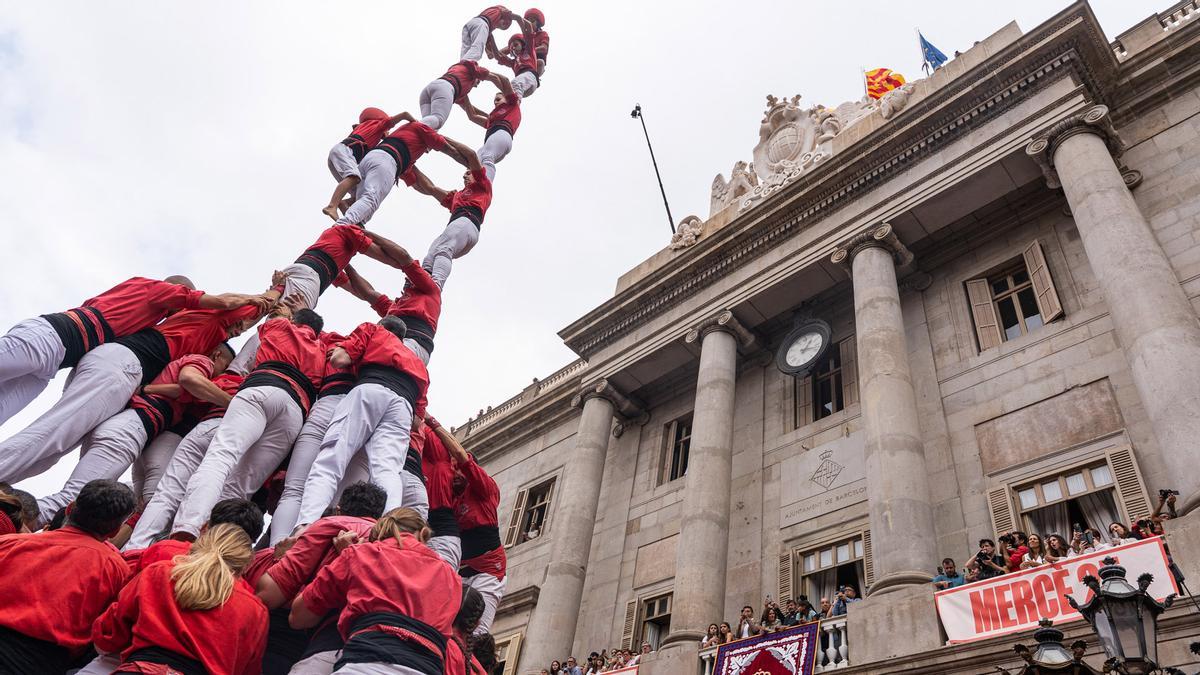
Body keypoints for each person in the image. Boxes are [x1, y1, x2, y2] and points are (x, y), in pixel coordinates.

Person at [0, 280, 275, 484]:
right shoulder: (207, 318)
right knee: (54, 433)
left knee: (55, 448)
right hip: (121, 366)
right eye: (239, 325)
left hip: (112, 366)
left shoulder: (196, 336)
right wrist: (274, 292)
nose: (239, 330)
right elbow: (247, 307)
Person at [0, 275, 262, 427]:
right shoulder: (153, 288)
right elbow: (223, 303)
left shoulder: (145, 316)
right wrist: (258, 300)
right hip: (52, 336)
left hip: (56, 361)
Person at [172, 299, 326, 539]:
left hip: (263, 387)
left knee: (221, 457)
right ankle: (216, 540)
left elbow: (271, 321)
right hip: (295, 410)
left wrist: (286, 313)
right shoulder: (323, 349)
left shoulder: (282, 327)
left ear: (295, 321)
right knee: (245, 483)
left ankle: (188, 527)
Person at [35, 345, 235, 524]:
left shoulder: (175, 367)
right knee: (75, 497)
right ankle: (12, 518)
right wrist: (232, 402)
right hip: (130, 429)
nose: (223, 372)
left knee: (89, 504)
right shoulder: (202, 362)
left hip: (128, 430)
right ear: (217, 355)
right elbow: (189, 382)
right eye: (226, 366)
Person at [289, 508, 463, 674]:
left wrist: (346, 560)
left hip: (366, 664)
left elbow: (298, 617)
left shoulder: (360, 554)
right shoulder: (452, 578)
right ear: (424, 533)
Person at [296, 317, 430, 528]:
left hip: (370, 389)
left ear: (382, 326)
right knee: (387, 470)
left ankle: (305, 524)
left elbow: (339, 360)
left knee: (332, 458)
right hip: (402, 407)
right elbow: (416, 422)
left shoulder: (372, 330)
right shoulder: (420, 366)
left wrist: (342, 349)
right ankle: (389, 531)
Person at [91, 523, 268, 675]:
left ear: (201, 540)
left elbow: (109, 633)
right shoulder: (255, 610)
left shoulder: (159, 571)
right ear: (245, 565)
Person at [0, 479, 135, 673]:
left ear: (70, 509)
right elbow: (107, 631)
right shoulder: (116, 570)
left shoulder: (8, 544)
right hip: (37, 663)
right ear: (114, 530)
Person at [256, 482, 387, 674]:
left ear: (339, 510)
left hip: (309, 641)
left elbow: (269, 595)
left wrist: (279, 559)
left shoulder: (330, 526)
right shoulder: (391, 541)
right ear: (380, 517)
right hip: (380, 648)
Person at [125, 369, 247, 549]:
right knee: (219, 499)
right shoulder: (288, 396)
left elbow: (188, 390)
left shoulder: (233, 379)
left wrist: (146, 389)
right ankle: (178, 550)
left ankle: (136, 549)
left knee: (165, 494)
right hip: (244, 441)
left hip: (206, 428)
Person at [267, 327, 352, 544]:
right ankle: (308, 554)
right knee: (335, 497)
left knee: (295, 488)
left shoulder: (331, 340)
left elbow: (305, 334)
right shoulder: (376, 347)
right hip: (356, 411)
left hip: (325, 406)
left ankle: (277, 549)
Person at [433, 419, 506, 634]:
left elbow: (462, 457)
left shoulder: (484, 489)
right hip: (461, 571)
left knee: (477, 632)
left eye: (459, 470)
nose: (454, 475)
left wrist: (432, 423)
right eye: (452, 470)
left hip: (488, 571)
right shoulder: (450, 498)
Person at [336, 119, 474, 228]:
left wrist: (444, 194)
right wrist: (474, 167)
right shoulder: (423, 130)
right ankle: (343, 225)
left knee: (363, 201)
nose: (429, 150)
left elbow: (423, 186)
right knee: (371, 199)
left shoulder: (407, 154)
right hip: (386, 161)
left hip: (371, 159)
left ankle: (349, 214)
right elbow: (451, 150)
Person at [404, 147, 491, 289]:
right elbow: (429, 188)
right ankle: (422, 281)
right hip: (462, 227)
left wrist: (438, 140)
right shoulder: (457, 197)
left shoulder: (483, 184)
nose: (465, 176)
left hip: (466, 222)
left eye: (469, 173)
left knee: (443, 248)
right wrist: (410, 165)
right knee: (432, 253)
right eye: (464, 174)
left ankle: (436, 285)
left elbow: (471, 155)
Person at [338, 246, 442, 365]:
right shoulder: (396, 308)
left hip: (414, 342)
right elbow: (368, 292)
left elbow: (404, 256)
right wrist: (344, 264)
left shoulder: (430, 290)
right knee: (349, 353)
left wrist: (361, 236)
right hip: (397, 341)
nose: (408, 279)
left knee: (369, 356)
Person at [325, 108, 413, 221]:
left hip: (338, 155)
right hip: (344, 151)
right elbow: (404, 114)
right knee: (354, 177)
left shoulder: (366, 130)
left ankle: (344, 204)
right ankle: (332, 206)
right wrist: (415, 123)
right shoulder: (378, 125)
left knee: (359, 190)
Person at [458, 71, 520, 179]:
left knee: (487, 157)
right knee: (473, 165)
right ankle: (470, 192)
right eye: (494, 101)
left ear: (507, 97)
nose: (495, 102)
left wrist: (481, 72)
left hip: (502, 134)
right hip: (492, 140)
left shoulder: (512, 104)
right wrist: (465, 93)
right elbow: (472, 115)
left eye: (498, 99)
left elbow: (504, 80)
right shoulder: (492, 118)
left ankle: (485, 189)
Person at [419, 60, 492, 130]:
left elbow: (471, 110)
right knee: (439, 119)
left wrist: (488, 116)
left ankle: (411, 137)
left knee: (430, 127)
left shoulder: (462, 90)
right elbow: (486, 73)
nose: (476, 86)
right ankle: (411, 127)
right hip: (446, 87)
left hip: (430, 88)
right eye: (478, 81)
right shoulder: (471, 72)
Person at [494, 30, 540, 99]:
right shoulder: (513, 62)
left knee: (514, 84)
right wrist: (491, 39)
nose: (514, 48)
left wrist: (518, 20)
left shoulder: (529, 52)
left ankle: (515, 104)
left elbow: (528, 33)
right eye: (512, 48)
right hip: (524, 84)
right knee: (506, 93)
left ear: (522, 44)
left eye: (516, 45)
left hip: (530, 76)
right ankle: (511, 106)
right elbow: (498, 56)